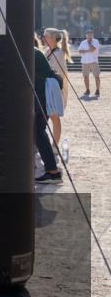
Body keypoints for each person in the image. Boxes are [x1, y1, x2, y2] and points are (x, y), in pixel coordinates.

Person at [33, 43, 63, 184]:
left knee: (38, 132)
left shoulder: (32, 53)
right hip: (39, 97)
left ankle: (53, 171)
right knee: (37, 132)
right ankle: (51, 170)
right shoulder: (36, 52)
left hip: (39, 98)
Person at [42, 28, 72, 161]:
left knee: (54, 117)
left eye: (46, 36)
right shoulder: (46, 51)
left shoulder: (59, 53)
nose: (44, 38)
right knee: (45, 117)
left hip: (54, 89)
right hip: (46, 87)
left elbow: (59, 73)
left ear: (53, 38)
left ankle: (55, 145)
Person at [79, 27, 101, 98]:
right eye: (88, 34)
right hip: (85, 62)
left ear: (93, 34)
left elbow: (93, 49)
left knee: (97, 76)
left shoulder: (96, 41)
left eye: (90, 34)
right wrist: (87, 51)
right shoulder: (83, 42)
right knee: (86, 77)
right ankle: (87, 90)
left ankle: (97, 90)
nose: (89, 35)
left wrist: (89, 43)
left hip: (94, 61)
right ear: (86, 35)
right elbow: (80, 51)